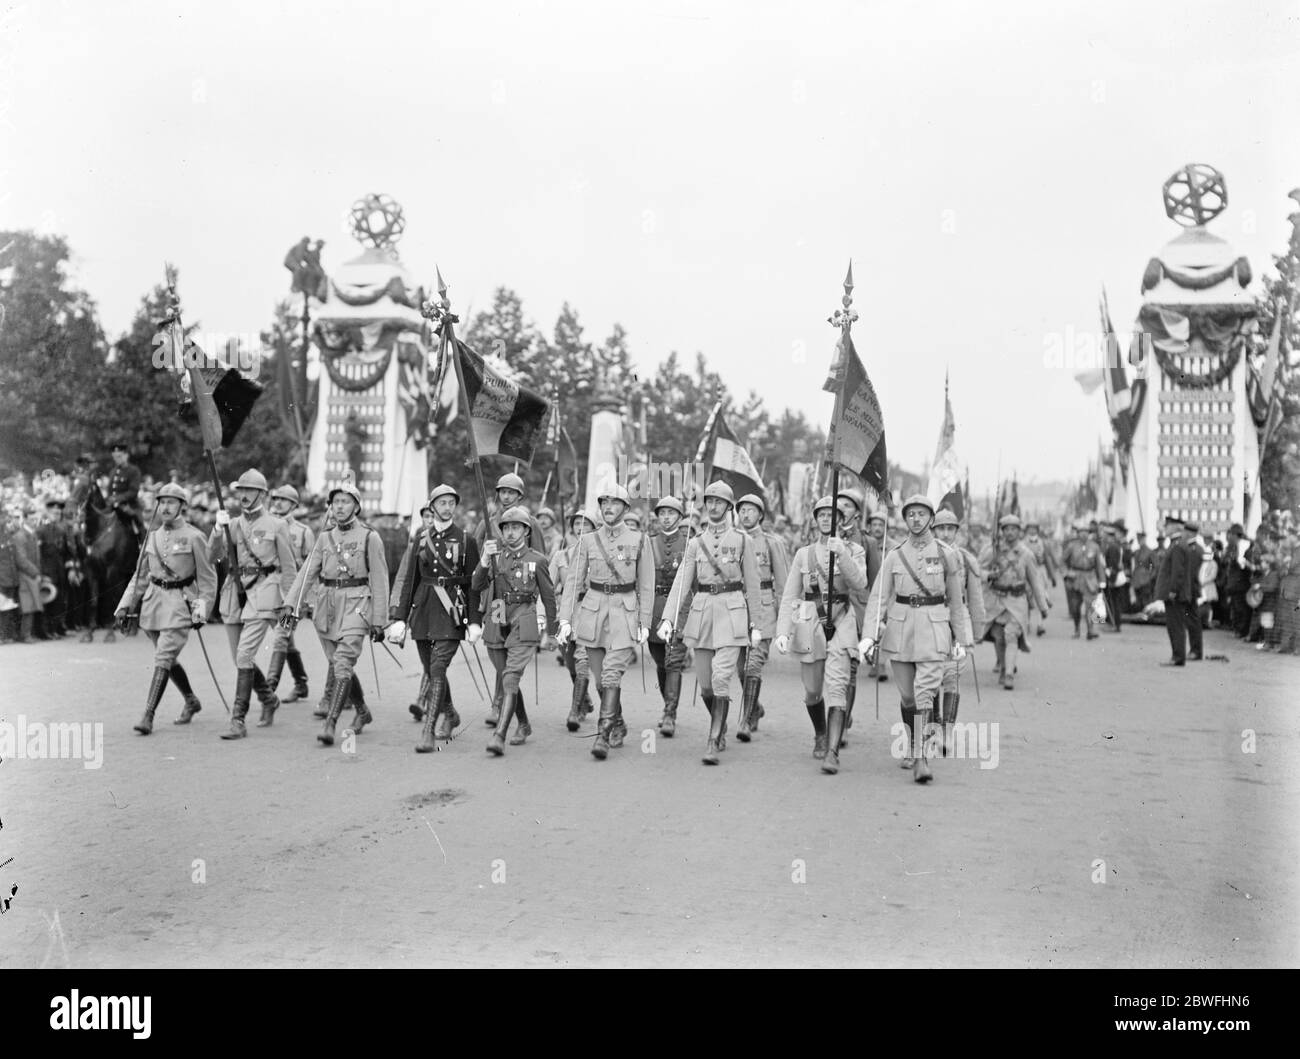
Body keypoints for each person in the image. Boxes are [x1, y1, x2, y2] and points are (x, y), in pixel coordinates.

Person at [859, 495, 972, 783]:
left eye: (922, 514)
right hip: (901, 630)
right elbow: (879, 597)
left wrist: (962, 638)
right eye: (911, 514)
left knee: (924, 694)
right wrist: (869, 635)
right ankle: (912, 742)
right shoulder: (894, 555)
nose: (917, 519)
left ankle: (921, 757)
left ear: (931, 519)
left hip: (934, 628)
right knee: (908, 696)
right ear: (905, 519)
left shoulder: (947, 554)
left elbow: (957, 602)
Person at [660, 481, 762, 765]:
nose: (714, 506)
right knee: (705, 685)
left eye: (720, 501)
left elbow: (753, 586)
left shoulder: (743, 541)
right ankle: (722, 724)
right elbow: (682, 582)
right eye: (710, 501)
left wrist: (757, 625)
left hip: (732, 613)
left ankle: (713, 740)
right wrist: (669, 617)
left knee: (721, 678)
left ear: (729, 507)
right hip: (702, 613)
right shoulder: (695, 542)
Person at [282, 476, 390, 745]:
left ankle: (331, 723)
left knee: (343, 661)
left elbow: (379, 579)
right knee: (339, 664)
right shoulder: (324, 538)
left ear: (356, 506)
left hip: (358, 603)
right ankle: (363, 712)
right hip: (327, 606)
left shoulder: (369, 537)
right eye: (336, 502)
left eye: (346, 502)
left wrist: (379, 620)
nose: (339, 506)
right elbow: (308, 573)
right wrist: (291, 603)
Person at [774, 494, 869, 773]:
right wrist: (783, 630)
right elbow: (791, 594)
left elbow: (860, 583)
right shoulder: (804, 554)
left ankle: (832, 751)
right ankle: (820, 732)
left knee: (838, 686)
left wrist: (842, 554)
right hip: (809, 618)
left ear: (842, 519)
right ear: (816, 521)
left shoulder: (853, 550)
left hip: (842, 617)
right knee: (813, 690)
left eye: (833, 515)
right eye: (822, 515)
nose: (827, 519)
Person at [560, 483, 654, 760]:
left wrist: (644, 621)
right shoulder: (588, 541)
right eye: (604, 503)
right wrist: (566, 619)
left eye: (615, 503)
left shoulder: (639, 540)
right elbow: (573, 582)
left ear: (626, 508)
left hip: (625, 613)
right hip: (592, 611)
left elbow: (646, 585)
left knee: (612, 675)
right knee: (601, 682)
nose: (608, 508)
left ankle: (603, 733)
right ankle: (619, 723)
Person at [114, 484, 217, 733]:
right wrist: (125, 605)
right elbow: (139, 577)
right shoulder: (152, 537)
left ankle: (147, 716)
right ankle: (191, 701)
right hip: (153, 604)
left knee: (163, 656)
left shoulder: (195, 537)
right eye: (162, 502)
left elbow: (207, 578)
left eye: (172, 502)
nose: (166, 507)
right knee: (167, 657)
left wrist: (201, 611)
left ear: (182, 506)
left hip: (180, 604)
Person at [209, 468, 299, 739]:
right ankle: (269, 699)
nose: (243, 495)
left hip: (266, 592)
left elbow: (289, 568)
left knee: (247, 653)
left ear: (262, 494)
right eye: (240, 491)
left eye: (249, 490)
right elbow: (212, 556)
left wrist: (289, 607)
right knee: (239, 656)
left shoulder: (276, 525)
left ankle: (238, 720)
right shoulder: (233, 524)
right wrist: (216, 529)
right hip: (235, 593)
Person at [391, 486, 480, 747]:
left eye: (451, 502)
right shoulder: (420, 539)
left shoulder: (466, 540)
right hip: (423, 611)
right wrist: (400, 617)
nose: (447, 507)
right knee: (432, 671)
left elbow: (473, 585)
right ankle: (450, 713)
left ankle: (428, 730)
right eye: (442, 502)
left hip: (452, 612)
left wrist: (475, 621)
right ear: (432, 507)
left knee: (438, 667)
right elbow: (410, 580)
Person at [471, 505, 557, 755]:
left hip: (525, 615)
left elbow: (549, 598)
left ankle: (500, 735)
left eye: (516, 527)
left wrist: (551, 633)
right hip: (497, 612)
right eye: (506, 528)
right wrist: (485, 560)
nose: (510, 533)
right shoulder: (495, 556)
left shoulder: (537, 560)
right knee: (507, 676)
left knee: (510, 677)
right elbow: (477, 584)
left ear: (526, 531)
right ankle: (525, 724)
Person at [474, 472, 548, 726]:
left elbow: (538, 555)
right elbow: (476, 550)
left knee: (511, 656)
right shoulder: (488, 520)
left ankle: (498, 703)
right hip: (494, 596)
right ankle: (504, 704)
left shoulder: (530, 522)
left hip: (520, 596)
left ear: (519, 496)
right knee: (496, 647)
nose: (506, 496)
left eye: (511, 492)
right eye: (502, 491)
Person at [732, 492, 790, 741]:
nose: (745, 514)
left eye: (750, 510)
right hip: (737, 607)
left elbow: (783, 583)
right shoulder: (731, 540)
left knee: (753, 664)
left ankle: (746, 719)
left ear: (760, 514)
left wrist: (784, 622)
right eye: (741, 510)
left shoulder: (771, 543)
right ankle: (755, 707)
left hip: (764, 608)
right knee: (740, 668)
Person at [932, 509, 984, 756]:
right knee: (930, 678)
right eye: (940, 528)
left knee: (952, 676)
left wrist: (978, 627)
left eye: (950, 529)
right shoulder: (924, 556)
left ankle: (947, 730)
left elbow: (974, 598)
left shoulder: (965, 559)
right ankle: (932, 726)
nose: (945, 533)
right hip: (930, 621)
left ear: (956, 532)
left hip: (957, 622)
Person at [978, 513, 1048, 690]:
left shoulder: (1026, 554)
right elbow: (977, 569)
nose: (1010, 532)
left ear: (1019, 532)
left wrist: (1042, 606)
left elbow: (1035, 581)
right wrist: (989, 575)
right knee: (999, 637)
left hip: (1017, 601)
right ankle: (1003, 667)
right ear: (1001, 531)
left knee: (1011, 634)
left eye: (1014, 529)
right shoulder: (992, 550)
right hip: (996, 600)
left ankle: (1009, 673)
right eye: (1006, 529)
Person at [264, 484, 316, 705]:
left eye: (283, 500)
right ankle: (301, 683)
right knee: (287, 642)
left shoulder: (304, 532)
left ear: (294, 505)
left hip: (291, 599)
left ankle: (268, 688)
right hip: (269, 593)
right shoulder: (266, 527)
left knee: (281, 636)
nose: (277, 502)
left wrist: (310, 600)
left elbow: (312, 568)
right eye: (275, 498)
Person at [646, 496, 690, 737]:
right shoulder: (649, 543)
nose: (666, 517)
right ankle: (668, 706)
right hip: (655, 609)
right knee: (661, 662)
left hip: (679, 608)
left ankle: (669, 713)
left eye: (671, 513)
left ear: (680, 517)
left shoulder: (689, 543)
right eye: (662, 513)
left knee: (674, 662)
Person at [551, 509, 598, 730]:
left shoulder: (599, 555)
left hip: (589, 611)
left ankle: (574, 711)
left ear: (594, 528)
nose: (581, 528)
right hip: (566, 612)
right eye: (577, 524)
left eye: (586, 524)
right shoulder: (561, 556)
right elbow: (550, 585)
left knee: (582, 660)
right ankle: (584, 698)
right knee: (570, 660)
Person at [1153, 515, 1193, 666]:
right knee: (1175, 626)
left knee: (1175, 626)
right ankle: (1177, 655)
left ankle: (1178, 657)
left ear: (1176, 527)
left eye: (1168, 526)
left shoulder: (1177, 546)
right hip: (1176, 593)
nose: (1166, 528)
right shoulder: (1177, 544)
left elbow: (1178, 572)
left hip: (1175, 594)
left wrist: (1173, 591)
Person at [1060, 521, 1106, 639]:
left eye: (1086, 532)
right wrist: (1066, 573)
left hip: (1090, 578)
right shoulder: (1072, 546)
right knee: (1075, 607)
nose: (1084, 535)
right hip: (1075, 578)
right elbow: (1062, 561)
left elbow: (1099, 565)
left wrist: (1102, 581)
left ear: (1089, 534)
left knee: (1090, 605)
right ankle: (1076, 629)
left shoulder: (1095, 547)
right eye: (1081, 532)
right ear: (1078, 533)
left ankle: (1090, 630)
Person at [1022, 521, 1057, 636]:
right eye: (1030, 528)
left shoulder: (1044, 543)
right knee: (1026, 599)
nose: (1032, 531)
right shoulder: (1021, 543)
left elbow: (1048, 560)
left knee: (1039, 598)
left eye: (1034, 528)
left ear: (1037, 530)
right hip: (1026, 573)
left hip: (1039, 572)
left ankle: (1040, 625)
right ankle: (1026, 624)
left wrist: (1053, 577)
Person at [107, 442, 144, 537]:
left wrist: (118, 499)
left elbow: (133, 491)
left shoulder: (134, 471)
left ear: (126, 455)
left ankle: (143, 546)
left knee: (138, 524)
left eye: (119, 456)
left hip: (129, 506)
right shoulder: (113, 472)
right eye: (115, 457)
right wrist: (109, 499)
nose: (117, 459)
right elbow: (110, 490)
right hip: (113, 507)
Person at [1182, 522, 1205, 660]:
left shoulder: (1194, 550)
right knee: (1191, 620)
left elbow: (1190, 574)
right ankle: (1195, 650)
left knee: (1193, 621)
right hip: (1191, 589)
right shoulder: (1194, 548)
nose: (1183, 534)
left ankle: (1196, 651)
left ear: (1190, 533)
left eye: (1185, 532)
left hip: (1190, 589)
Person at [1131, 532, 1157, 611]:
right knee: (1138, 599)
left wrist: (1149, 577)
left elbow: (1155, 567)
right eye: (1138, 539)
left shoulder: (1150, 552)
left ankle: (1148, 617)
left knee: (1146, 599)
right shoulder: (1136, 552)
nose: (1139, 541)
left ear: (1144, 539)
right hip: (1137, 579)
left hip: (1145, 579)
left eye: (1141, 539)